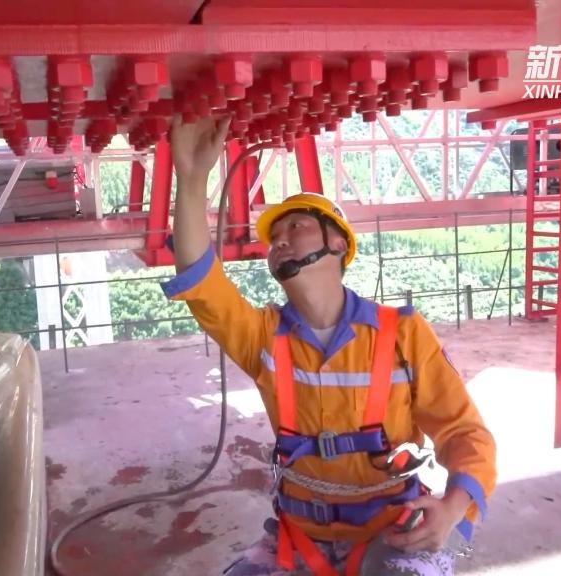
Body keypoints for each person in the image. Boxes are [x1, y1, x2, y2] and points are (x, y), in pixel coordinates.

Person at [162, 115, 497, 576]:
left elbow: (465, 434)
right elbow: (201, 281)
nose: (279, 241)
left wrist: (453, 508)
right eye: (274, 239)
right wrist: (191, 178)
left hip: (392, 528)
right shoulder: (263, 336)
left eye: (296, 226)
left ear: (338, 244)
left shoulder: (402, 334)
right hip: (299, 535)